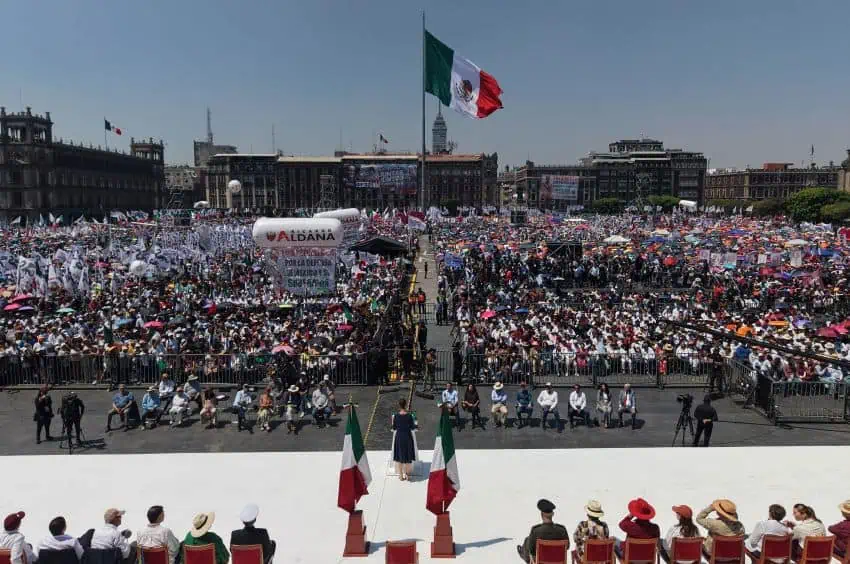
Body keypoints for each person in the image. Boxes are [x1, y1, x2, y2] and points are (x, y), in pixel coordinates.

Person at [517, 499, 569, 563]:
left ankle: (522, 552)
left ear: (541, 514)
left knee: (528, 541)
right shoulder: (562, 530)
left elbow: (532, 551)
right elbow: (567, 547)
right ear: (552, 514)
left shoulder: (535, 530)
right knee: (528, 541)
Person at [392, 398, 416, 481]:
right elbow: (412, 427)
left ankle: (401, 475)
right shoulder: (409, 416)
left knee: (399, 456)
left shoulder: (396, 416)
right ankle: (407, 474)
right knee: (407, 456)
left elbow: (394, 427)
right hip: (407, 437)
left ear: (399, 405)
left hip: (399, 437)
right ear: (405, 405)